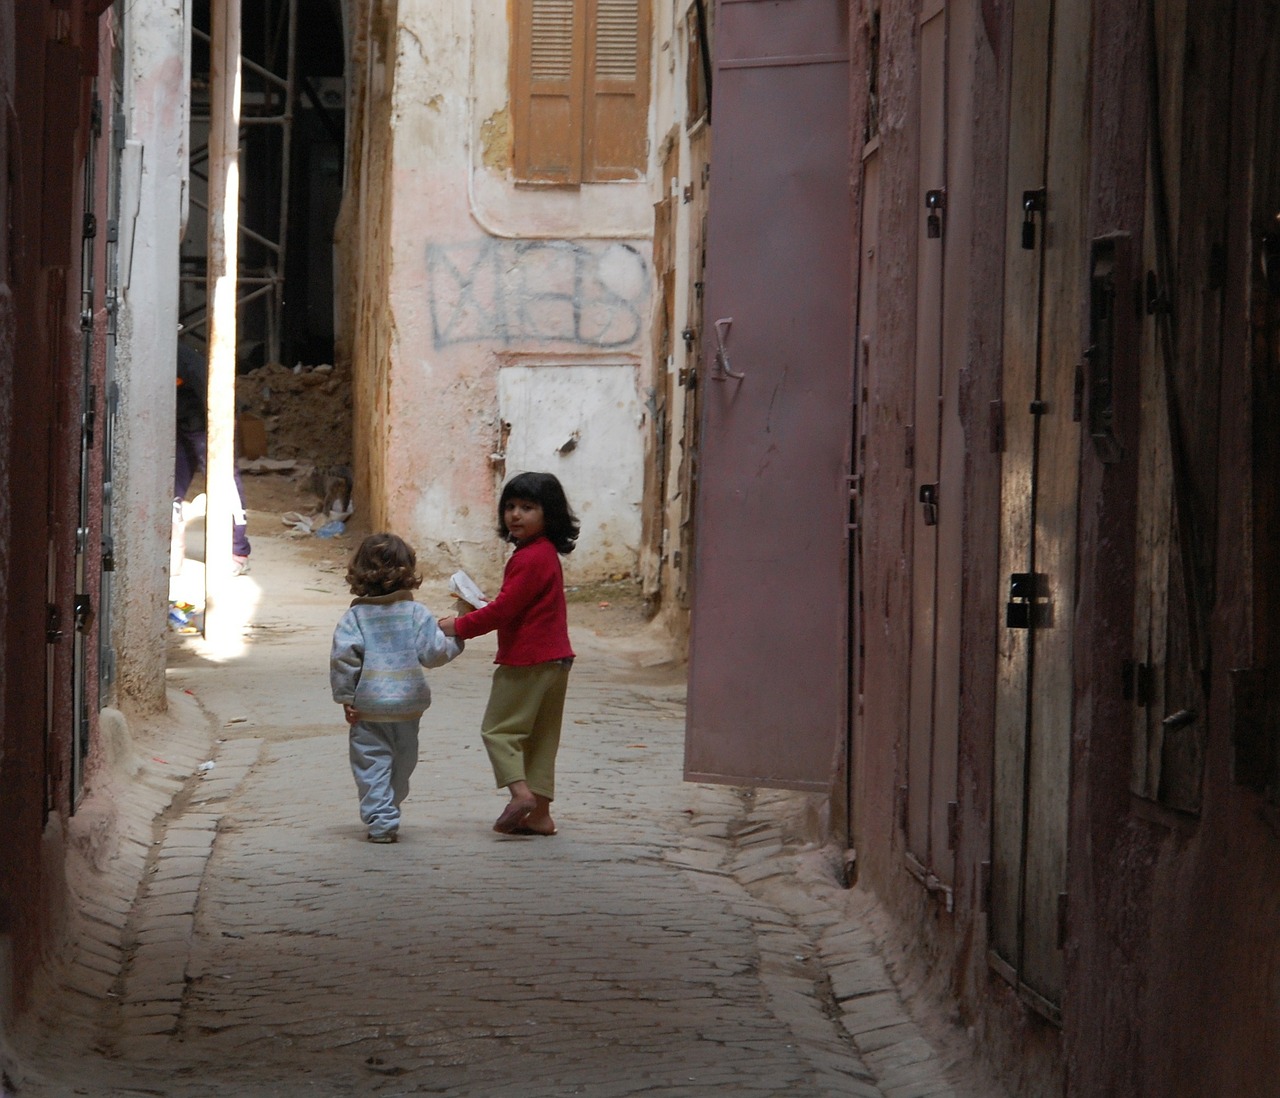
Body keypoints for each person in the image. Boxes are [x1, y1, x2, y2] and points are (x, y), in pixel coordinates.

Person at [440, 472, 578, 837]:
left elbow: (504, 612)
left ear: (549, 514)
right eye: (511, 507)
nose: (516, 515)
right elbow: (516, 605)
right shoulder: (544, 554)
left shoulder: (529, 558)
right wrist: (487, 606)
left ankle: (520, 796)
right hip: (556, 659)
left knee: (499, 731)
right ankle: (540, 816)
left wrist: (459, 626)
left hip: (526, 660)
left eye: (528, 508)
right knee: (541, 738)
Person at [331, 533, 463, 843]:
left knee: (372, 764)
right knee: (402, 765)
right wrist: (458, 638)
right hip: (408, 707)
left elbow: (343, 659)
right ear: (408, 572)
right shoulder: (417, 614)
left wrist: (346, 697)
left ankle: (381, 816)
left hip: (369, 708)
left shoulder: (354, 617)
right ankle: (388, 806)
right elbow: (434, 653)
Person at [175, 341, 252, 574]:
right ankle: (171, 550)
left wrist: (222, 427)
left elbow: (213, 391)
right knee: (168, 486)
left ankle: (237, 551)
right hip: (177, 421)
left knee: (223, 482)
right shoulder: (151, 355)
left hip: (206, 422)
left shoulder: (183, 358)